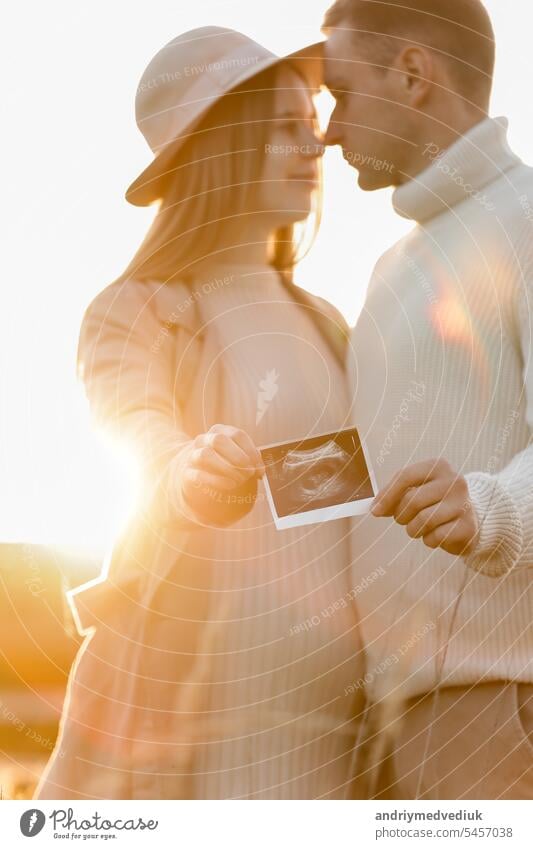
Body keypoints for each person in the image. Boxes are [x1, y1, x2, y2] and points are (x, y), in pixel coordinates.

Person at [34, 26, 365, 800]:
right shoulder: (135, 310)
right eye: (285, 127)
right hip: (193, 709)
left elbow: (339, 509)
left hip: (323, 716)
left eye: (311, 126)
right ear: (219, 146)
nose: (312, 149)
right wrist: (190, 469)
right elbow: (139, 433)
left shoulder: (326, 321)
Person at [322, 0, 533, 799]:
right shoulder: (388, 268)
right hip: (389, 723)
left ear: (411, 74)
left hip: (499, 705)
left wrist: (492, 508)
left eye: (339, 92)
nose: (326, 131)